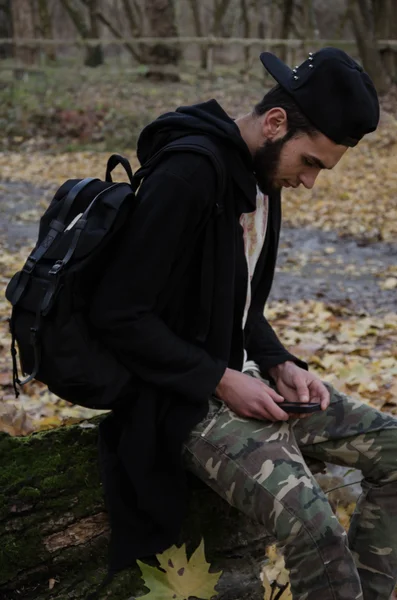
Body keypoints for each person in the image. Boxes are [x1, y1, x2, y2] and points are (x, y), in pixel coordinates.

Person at [91, 47, 397, 600]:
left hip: (238, 373)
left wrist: (279, 362)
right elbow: (117, 312)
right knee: (314, 524)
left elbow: (240, 305)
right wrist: (221, 378)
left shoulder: (261, 176)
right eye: (310, 163)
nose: (310, 183)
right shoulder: (188, 173)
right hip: (174, 400)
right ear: (276, 123)